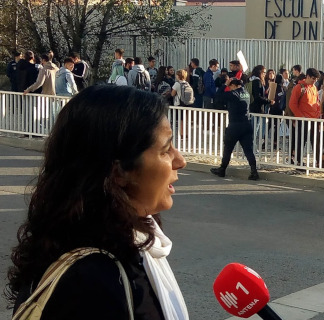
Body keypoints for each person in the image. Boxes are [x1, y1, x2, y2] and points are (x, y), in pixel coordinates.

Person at [7, 85, 189, 319]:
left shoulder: (121, 243)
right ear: (118, 172)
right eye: (165, 150)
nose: (181, 161)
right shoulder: (91, 283)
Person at [210, 79, 260, 181]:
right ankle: (254, 171)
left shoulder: (233, 94)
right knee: (248, 150)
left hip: (235, 125)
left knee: (228, 148)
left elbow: (218, 96)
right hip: (246, 124)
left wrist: (224, 84)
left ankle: (222, 169)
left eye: (230, 86)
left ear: (233, 85)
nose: (229, 88)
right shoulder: (246, 93)